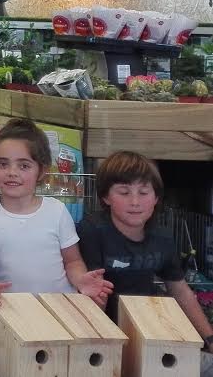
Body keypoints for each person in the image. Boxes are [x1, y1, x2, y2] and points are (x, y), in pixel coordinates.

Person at [0, 118, 111, 370]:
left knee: (79, 358)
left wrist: (81, 280)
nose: (12, 172)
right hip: (5, 308)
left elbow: (72, 260)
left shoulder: (56, 210)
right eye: (2, 164)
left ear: (41, 171)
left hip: (59, 306)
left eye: (23, 165)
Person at [77, 151, 213, 366]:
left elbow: (180, 289)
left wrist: (209, 338)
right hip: (104, 330)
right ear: (105, 197)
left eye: (143, 192)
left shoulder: (163, 237)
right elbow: (94, 294)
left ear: (156, 197)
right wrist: (99, 347)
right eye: (124, 192)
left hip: (150, 329)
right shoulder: (92, 230)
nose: (135, 202)